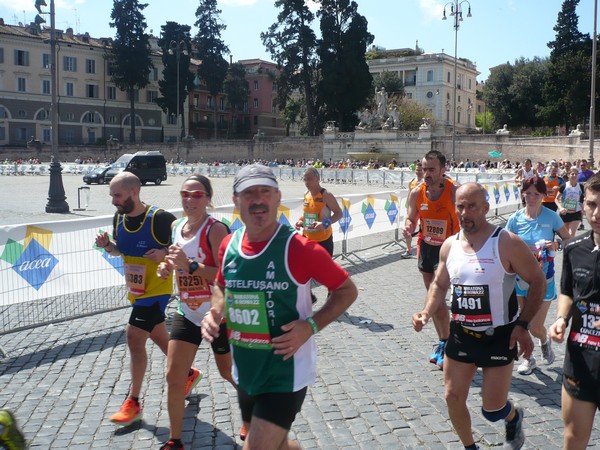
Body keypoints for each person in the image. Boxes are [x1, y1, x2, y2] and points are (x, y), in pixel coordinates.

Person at [201, 164, 358, 450]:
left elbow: (347, 290)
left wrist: (310, 327)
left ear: (278, 198)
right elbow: (221, 287)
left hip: (286, 373)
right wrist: (215, 312)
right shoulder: (228, 245)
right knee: (280, 445)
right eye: (249, 193)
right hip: (246, 371)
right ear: (236, 201)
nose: (258, 200)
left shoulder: (298, 248)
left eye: (265, 192)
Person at [412, 183, 546, 450]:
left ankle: (512, 415)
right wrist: (426, 312)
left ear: (485, 208)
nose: (465, 212)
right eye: (460, 206)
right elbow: (439, 284)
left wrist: (522, 325)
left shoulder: (506, 242)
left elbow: (538, 282)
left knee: (492, 409)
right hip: (461, 334)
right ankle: (469, 447)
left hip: (498, 337)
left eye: (472, 206)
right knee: (452, 396)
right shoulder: (449, 245)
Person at [95, 172, 186, 426]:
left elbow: (186, 246)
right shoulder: (119, 218)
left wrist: (166, 252)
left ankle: (133, 402)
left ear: (134, 192)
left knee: (134, 336)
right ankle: (187, 373)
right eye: (112, 195)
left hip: (157, 291)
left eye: (117, 195)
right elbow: (121, 250)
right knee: (158, 335)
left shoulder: (160, 219)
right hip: (136, 292)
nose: (114, 200)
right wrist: (107, 246)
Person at [156, 175, 237, 450]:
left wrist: (190, 266)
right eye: (185, 194)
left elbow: (227, 276)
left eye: (197, 195)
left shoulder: (216, 230)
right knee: (173, 375)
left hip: (217, 314)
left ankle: (253, 416)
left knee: (228, 373)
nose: (190, 200)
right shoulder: (176, 225)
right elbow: (175, 258)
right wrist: (167, 267)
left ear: (209, 198)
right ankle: (175, 440)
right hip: (187, 312)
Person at [548, 172, 600, 450]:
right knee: (573, 439)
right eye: (591, 204)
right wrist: (560, 318)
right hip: (580, 359)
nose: (597, 213)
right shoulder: (574, 249)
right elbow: (567, 291)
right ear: (582, 205)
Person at [505, 176, 570, 375]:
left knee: (535, 325)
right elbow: (504, 245)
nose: (532, 198)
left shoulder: (551, 217)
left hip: (544, 280)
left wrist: (556, 245)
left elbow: (568, 240)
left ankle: (544, 340)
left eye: (536, 194)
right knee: (523, 323)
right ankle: (529, 358)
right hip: (520, 280)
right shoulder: (515, 219)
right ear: (523, 194)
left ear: (543, 195)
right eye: (528, 194)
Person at [403, 150, 458, 369]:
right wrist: (409, 225)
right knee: (434, 299)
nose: (426, 173)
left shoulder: (455, 192)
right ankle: (444, 340)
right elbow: (411, 216)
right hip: (426, 247)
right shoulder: (417, 193)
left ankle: (448, 342)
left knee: (437, 295)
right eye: (424, 169)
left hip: (449, 249)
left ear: (443, 170)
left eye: (431, 169)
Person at [294, 167, 343, 257]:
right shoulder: (306, 194)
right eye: (304, 179)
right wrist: (301, 221)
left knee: (323, 270)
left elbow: (339, 213)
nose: (306, 182)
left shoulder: (326, 194)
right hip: (307, 238)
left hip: (323, 240)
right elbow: (308, 213)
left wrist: (325, 223)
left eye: (309, 179)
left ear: (317, 179)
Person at [401, 162, 424, 259]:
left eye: (420, 170)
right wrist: (408, 206)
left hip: (423, 208)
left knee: (424, 230)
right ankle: (409, 250)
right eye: (417, 170)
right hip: (413, 209)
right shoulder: (412, 181)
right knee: (408, 229)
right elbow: (409, 194)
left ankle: (423, 249)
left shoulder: (425, 181)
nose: (418, 172)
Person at [555, 166, 584, 238]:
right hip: (565, 213)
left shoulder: (581, 186)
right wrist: (561, 208)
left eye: (576, 174)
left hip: (576, 212)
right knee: (565, 236)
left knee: (571, 234)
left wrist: (583, 208)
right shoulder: (564, 186)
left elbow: (584, 198)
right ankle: (566, 248)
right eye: (572, 174)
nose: (574, 176)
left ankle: (571, 248)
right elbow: (556, 199)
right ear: (568, 175)